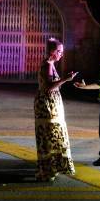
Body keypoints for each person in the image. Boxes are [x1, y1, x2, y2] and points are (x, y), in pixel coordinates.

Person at [34, 38, 78, 182]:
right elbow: (47, 87)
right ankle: (47, 170)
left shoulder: (51, 64)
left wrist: (66, 79)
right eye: (59, 51)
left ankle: (53, 167)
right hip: (47, 106)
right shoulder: (47, 65)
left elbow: (53, 85)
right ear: (52, 51)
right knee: (49, 137)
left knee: (54, 136)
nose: (61, 54)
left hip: (52, 105)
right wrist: (65, 79)